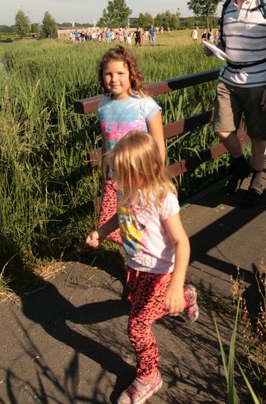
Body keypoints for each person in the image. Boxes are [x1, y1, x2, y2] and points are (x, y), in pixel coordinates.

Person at [85, 131, 198, 404]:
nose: (117, 179)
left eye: (122, 173)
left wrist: (174, 283)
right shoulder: (127, 188)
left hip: (160, 274)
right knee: (150, 309)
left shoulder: (161, 198)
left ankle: (149, 375)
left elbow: (182, 243)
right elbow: (120, 216)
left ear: (142, 171)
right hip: (136, 267)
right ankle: (186, 296)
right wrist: (102, 232)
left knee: (137, 327)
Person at [204, 0, 266, 206]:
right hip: (228, 78)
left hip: (259, 80)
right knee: (222, 129)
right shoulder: (226, 7)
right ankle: (240, 164)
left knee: (258, 134)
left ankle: (257, 178)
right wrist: (213, 49)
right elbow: (225, 43)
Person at [96, 46, 166, 245]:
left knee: (139, 224)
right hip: (114, 177)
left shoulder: (145, 105)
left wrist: (156, 175)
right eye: (108, 74)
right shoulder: (103, 106)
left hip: (140, 176)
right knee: (108, 226)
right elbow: (106, 140)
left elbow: (158, 144)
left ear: (131, 75)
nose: (114, 79)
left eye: (120, 73)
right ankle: (137, 253)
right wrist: (104, 168)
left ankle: (147, 255)